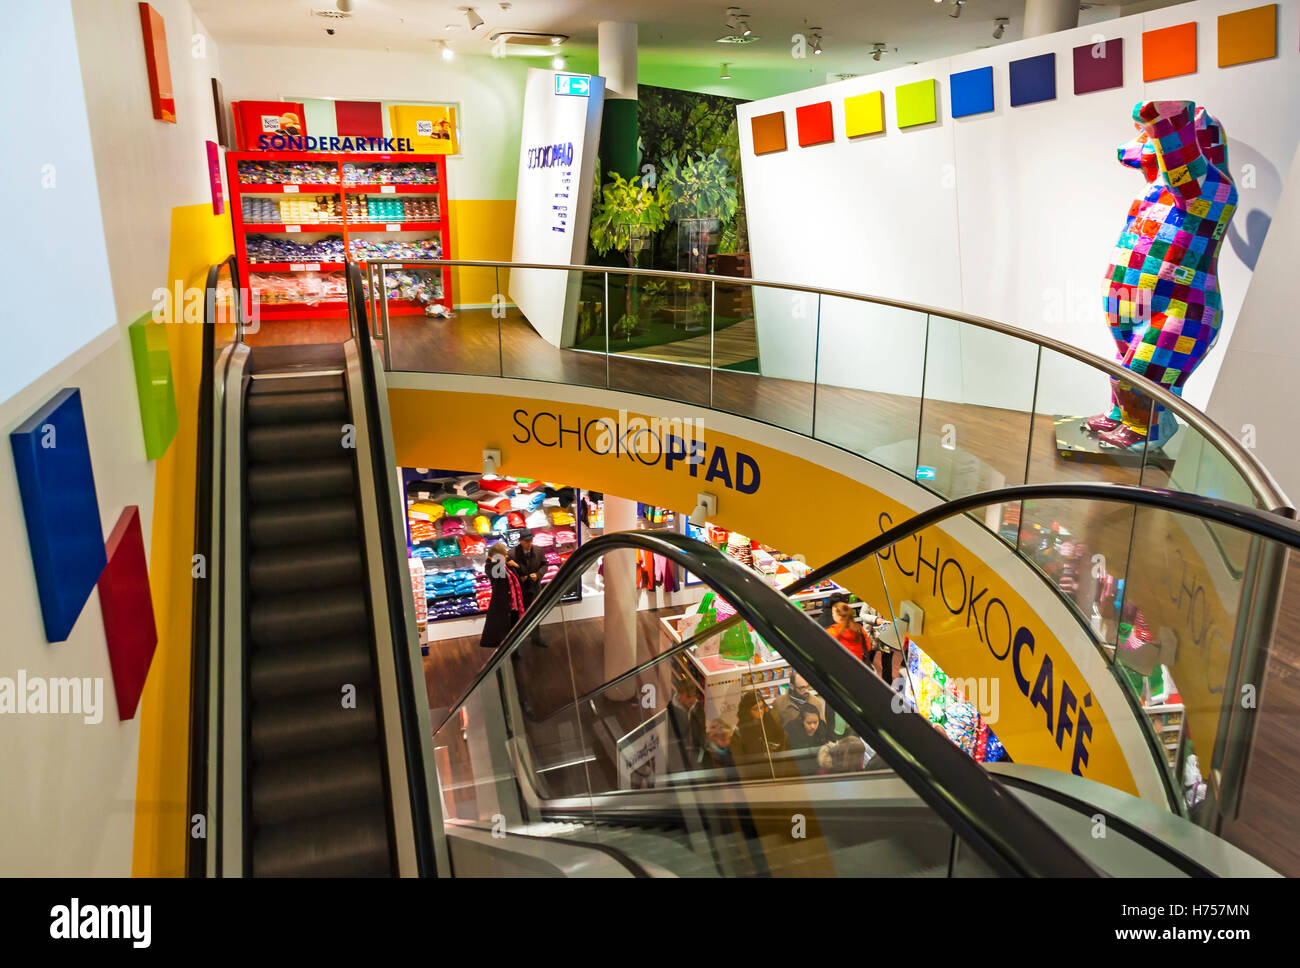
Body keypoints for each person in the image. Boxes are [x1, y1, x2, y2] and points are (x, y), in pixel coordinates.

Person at [730, 691, 786, 778]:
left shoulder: (769, 720)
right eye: (756, 709)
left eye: (762, 707)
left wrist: (776, 747)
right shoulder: (740, 730)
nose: (760, 711)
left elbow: (780, 738)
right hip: (757, 774)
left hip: (777, 770)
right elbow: (739, 760)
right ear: (747, 710)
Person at [479, 541, 522, 651]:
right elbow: (497, 576)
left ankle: (513, 649)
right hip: (502, 604)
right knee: (502, 631)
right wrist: (498, 560)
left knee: (512, 628)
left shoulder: (506, 565)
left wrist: (516, 566)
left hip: (513, 602)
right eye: (504, 554)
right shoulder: (491, 566)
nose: (507, 556)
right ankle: (506, 651)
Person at [508, 529, 548, 646]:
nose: (529, 543)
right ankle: (516, 642)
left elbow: (544, 564)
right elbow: (510, 571)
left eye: (531, 540)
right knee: (519, 616)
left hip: (534, 588)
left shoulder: (538, 550)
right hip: (520, 590)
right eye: (526, 541)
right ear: (520, 541)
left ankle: (536, 637)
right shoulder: (512, 554)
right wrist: (521, 577)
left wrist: (538, 574)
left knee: (535, 612)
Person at [665, 676, 707, 774]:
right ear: (680, 695)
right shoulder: (671, 710)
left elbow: (702, 732)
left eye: (694, 696)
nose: (692, 700)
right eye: (688, 696)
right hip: (679, 762)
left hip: (696, 759)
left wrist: (701, 753)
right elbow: (671, 739)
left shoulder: (698, 708)